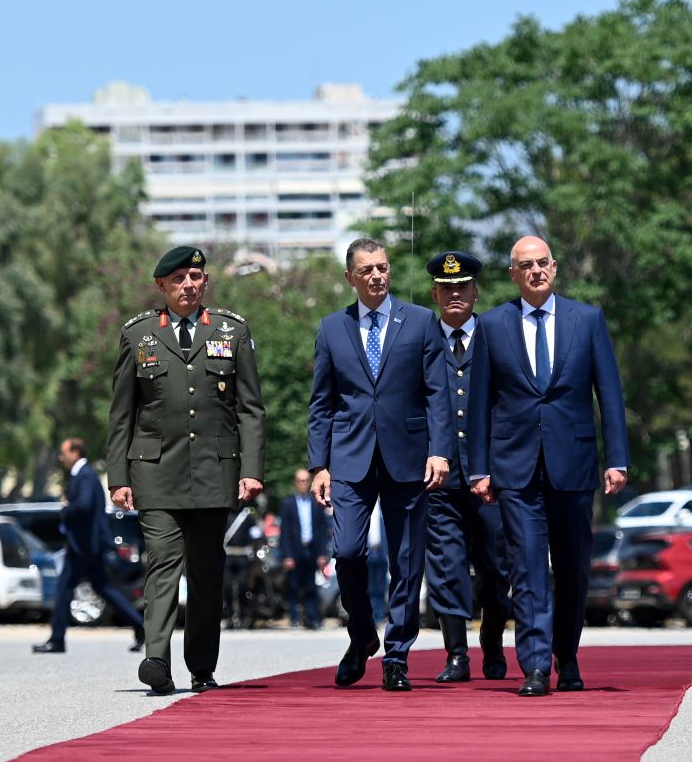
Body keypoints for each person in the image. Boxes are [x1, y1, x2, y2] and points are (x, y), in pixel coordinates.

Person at [468, 235, 630, 697]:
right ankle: (536, 665)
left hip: (574, 464)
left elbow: (610, 396)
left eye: (543, 263)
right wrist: (479, 468)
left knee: (575, 565)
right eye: (526, 265)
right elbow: (479, 402)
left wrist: (617, 457)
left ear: (554, 268)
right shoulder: (493, 325)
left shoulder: (588, 320)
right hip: (514, 467)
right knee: (528, 567)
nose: (536, 271)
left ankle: (568, 655)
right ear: (513, 274)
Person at [107, 246, 267, 695]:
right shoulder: (138, 336)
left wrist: (251, 468)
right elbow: (122, 413)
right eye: (178, 279)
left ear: (206, 282)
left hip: (215, 473)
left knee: (206, 573)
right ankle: (157, 657)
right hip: (155, 471)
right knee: (162, 564)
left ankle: (201, 666)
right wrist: (117, 477)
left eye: (196, 276)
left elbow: (251, 409)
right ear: (162, 286)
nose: (188, 285)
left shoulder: (231, 331)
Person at [307, 238, 449, 691]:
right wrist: (319, 466)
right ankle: (362, 634)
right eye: (366, 270)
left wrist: (440, 450)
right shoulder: (332, 328)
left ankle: (398, 654)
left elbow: (437, 394)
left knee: (406, 560)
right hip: (348, 460)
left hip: (408, 458)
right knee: (347, 552)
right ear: (350, 277)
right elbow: (322, 403)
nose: (376, 276)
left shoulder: (422, 322)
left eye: (382, 268)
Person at [423, 250, 515, 681]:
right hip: (439, 477)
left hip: (488, 476)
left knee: (496, 568)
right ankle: (455, 654)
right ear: (435, 294)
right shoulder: (421, 339)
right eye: (446, 288)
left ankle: (493, 641)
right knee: (447, 566)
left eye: (462, 288)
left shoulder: (496, 337)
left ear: (476, 292)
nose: (454, 295)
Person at [34, 437, 146, 655]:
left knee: (63, 588)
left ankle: (57, 639)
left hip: (83, 546)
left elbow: (83, 505)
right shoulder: (82, 474)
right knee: (102, 587)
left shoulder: (83, 475)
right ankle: (139, 625)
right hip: (88, 546)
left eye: (64, 453)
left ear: (75, 453)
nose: (61, 457)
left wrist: (66, 508)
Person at [275, 467, 331, 629]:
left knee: (311, 586)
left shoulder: (317, 503)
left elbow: (322, 531)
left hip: (312, 549)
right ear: (295, 483)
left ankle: (312, 618)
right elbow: (284, 532)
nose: (303, 483)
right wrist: (287, 555)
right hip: (294, 550)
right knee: (293, 586)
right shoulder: (287, 504)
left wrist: (322, 553)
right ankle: (294, 618)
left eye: (306, 480)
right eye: (300, 480)